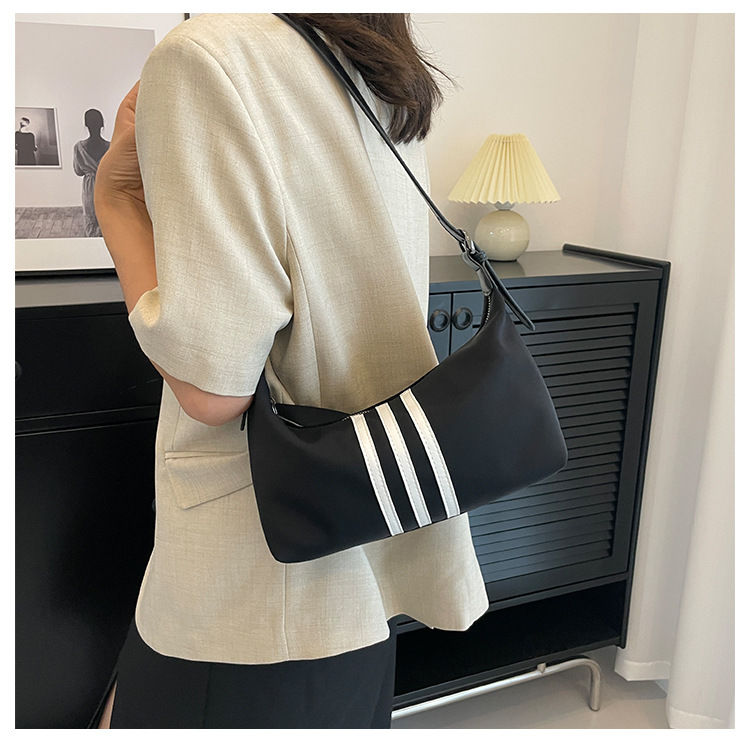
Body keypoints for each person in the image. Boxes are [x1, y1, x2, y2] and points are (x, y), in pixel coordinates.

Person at [92, 13, 488, 729]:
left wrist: (116, 203)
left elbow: (212, 390)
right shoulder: (378, 64)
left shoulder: (206, 56)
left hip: (250, 587)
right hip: (362, 555)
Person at [73, 108, 110, 237]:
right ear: (102, 124)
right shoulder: (110, 146)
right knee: (107, 218)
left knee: (91, 218)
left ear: (86, 125)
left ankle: (92, 243)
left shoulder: (79, 147)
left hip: (90, 187)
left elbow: (78, 171)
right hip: (106, 185)